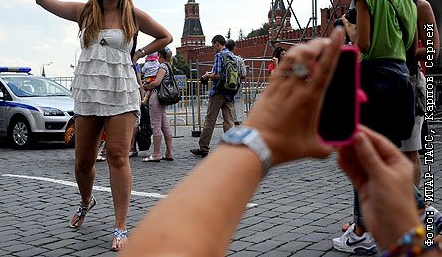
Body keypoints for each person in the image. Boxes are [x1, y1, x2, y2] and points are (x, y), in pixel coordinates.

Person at [122, 28, 442, 257]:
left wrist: (261, 136)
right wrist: (404, 234)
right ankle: (423, 207)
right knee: (410, 152)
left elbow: (166, 247)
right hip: (402, 86)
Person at [14, 0, 172, 251]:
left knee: (117, 155)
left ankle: (121, 226)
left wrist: (138, 53)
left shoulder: (132, 14)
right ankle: (87, 201)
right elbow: (43, 0)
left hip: (121, 91)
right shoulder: (84, 12)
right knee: (83, 162)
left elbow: (165, 36)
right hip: (88, 92)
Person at [338, 0, 418, 254]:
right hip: (401, 80)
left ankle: (362, 230)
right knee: (387, 156)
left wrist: (350, 30)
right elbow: (412, 48)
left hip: (374, 80)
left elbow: (364, 45)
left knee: (363, 157)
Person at [390, 0, 440, 186]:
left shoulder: (420, 6)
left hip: (409, 82)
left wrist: (403, 51)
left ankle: (413, 209)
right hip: (381, 84)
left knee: (409, 151)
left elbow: (433, 49)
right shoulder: (378, 3)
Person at [190, 35, 238, 157]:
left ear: (217, 43)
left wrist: (207, 76)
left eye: (213, 45)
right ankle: (232, 147)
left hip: (218, 92)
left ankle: (204, 147)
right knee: (229, 121)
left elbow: (218, 75)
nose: (212, 47)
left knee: (210, 120)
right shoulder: (233, 56)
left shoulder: (219, 55)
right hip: (230, 92)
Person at [140, 47, 174, 162]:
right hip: (163, 99)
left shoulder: (162, 66)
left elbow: (157, 82)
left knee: (156, 125)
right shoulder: (169, 66)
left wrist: (146, 86)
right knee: (165, 126)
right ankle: (169, 152)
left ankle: (156, 154)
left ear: (160, 55)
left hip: (156, 96)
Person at [226, 39, 248, 124]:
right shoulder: (239, 60)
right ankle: (236, 123)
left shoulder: (222, 58)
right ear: (234, 48)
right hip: (237, 88)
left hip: (225, 89)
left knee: (227, 109)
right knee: (238, 109)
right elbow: (244, 75)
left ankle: (229, 124)